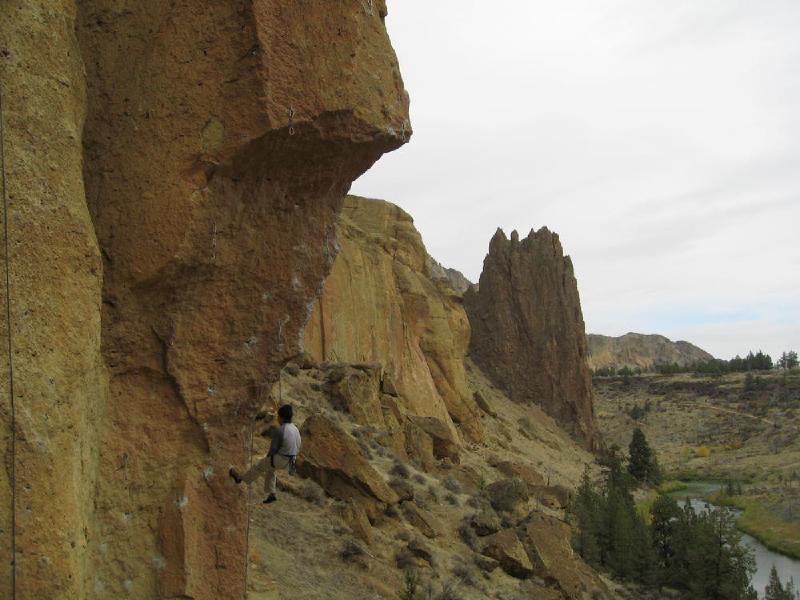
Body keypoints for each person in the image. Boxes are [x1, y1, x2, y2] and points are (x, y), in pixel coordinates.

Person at [229, 404, 301, 504]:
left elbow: (273, 449)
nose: (278, 420)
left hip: (280, 458)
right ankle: (272, 493)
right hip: (291, 461)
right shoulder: (295, 429)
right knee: (271, 470)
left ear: (281, 418)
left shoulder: (280, 430)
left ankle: (241, 479)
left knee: (258, 466)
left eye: (278, 417)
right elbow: (297, 445)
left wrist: (267, 459)